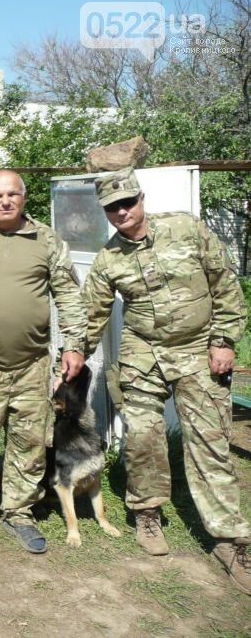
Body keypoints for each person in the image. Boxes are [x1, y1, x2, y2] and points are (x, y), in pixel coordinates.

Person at [84, 167, 250, 594]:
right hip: (143, 352)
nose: (121, 212)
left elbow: (225, 284)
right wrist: (72, 353)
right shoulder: (108, 260)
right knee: (142, 434)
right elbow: (92, 315)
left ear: (141, 199)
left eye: (127, 202)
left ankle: (231, 540)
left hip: (199, 347)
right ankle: (147, 514)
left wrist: (225, 339)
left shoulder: (187, 228)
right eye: (112, 207)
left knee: (210, 442)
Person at [0, 169, 87, 555]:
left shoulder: (46, 239)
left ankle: (19, 512)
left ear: (24, 198)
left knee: (28, 443)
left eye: (13, 194)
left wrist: (74, 346)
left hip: (32, 364)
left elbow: (68, 295)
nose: (6, 201)